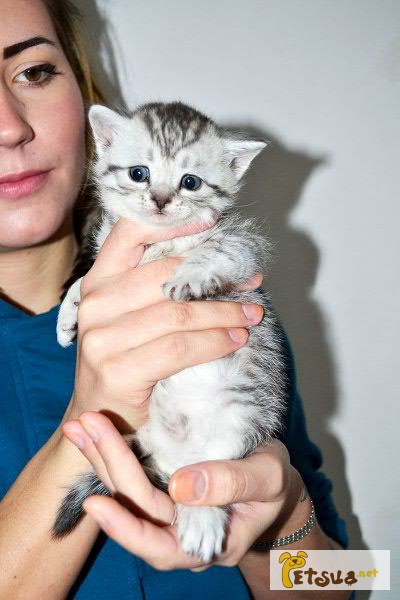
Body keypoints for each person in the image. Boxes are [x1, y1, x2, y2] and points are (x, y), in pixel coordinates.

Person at [0, 1, 352, 598]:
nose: (9, 125)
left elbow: (358, 578)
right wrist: (85, 428)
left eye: (33, 72)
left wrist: (286, 512)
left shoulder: (223, 314)